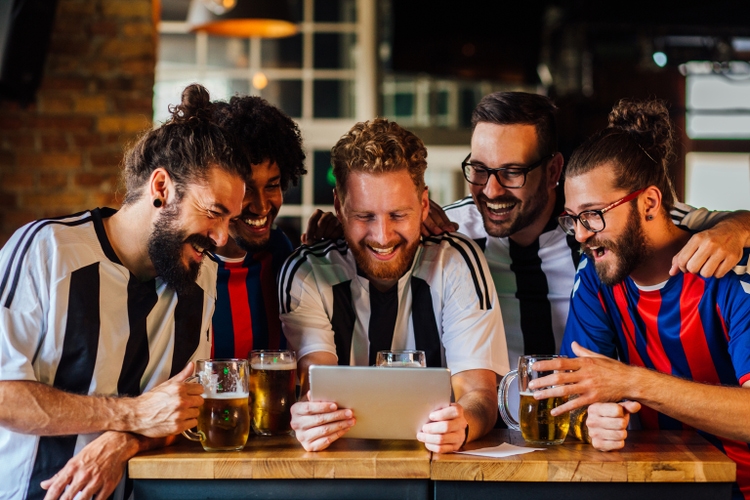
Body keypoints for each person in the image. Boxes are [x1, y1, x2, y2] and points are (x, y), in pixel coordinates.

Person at [0, 84, 246, 500]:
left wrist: (124, 440)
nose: (222, 238)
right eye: (214, 213)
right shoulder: (47, 250)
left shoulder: (201, 277)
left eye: (231, 220)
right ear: (162, 188)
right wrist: (133, 413)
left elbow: (179, 410)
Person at [527, 99, 750, 500]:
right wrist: (594, 418)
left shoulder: (730, 270)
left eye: (593, 214)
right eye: (573, 218)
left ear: (648, 203)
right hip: (646, 484)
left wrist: (631, 382)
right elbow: (576, 398)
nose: (580, 234)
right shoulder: (595, 276)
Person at [435, 91, 750, 365]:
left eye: (512, 172)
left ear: (552, 171)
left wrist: (736, 230)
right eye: (479, 170)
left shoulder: (603, 231)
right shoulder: (452, 232)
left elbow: (687, 224)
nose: (491, 190)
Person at [279, 118, 509, 453]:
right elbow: (318, 386)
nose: (383, 237)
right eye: (365, 216)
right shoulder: (308, 271)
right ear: (340, 207)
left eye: (398, 215)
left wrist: (463, 424)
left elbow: (479, 394)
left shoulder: (456, 262)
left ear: (425, 206)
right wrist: (313, 418)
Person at [209, 95, 306, 358]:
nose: (262, 207)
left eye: (272, 185)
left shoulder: (279, 251)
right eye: (246, 189)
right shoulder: (186, 263)